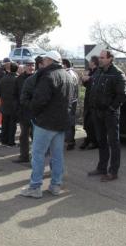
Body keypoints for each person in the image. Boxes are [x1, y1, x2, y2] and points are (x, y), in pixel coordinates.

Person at [20, 51, 72, 199]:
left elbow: (39, 101)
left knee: (38, 155)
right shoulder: (67, 75)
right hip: (60, 122)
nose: (42, 62)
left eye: (44, 60)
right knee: (57, 156)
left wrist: (32, 110)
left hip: (45, 122)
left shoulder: (48, 76)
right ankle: (56, 185)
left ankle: (35, 186)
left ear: (50, 60)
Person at [87, 50, 126, 182]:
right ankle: (102, 167)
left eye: (103, 57)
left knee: (113, 143)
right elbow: (94, 89)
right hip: (97, 112)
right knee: (101, 141)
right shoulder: (98, 71)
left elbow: (122, 96)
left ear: (110, 59)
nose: (100, 59)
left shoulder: (117, 74)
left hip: (110, 114)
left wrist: (111, 109)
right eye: (99, 57)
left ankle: (113, 171)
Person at [14, 58, 36, 163]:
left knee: (36, 136)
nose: (31, 67)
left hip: (36, 112)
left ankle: (36, 158)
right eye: (29, 65)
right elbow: (15, 95)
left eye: (33, 65)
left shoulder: (39, 78)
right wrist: (17, 109)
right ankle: (24, 156)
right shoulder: (19, 79)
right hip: (23, 112)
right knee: (24, 136)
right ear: (25, 67)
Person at [0, 62, 19, 147]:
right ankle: (11, 142)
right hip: (13, 105)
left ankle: (4, 141)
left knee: (5, 123)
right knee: (12, 125)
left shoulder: (3, 79)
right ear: (17, 69)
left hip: (4, 104)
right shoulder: (17, 79)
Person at [79, 56, 99, 150]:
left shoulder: (98, 71)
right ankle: (87, 139)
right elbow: (87, 85)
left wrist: (89, 78)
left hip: (94, 101)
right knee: (86, 122)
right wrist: (84, 80)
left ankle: (94, 141)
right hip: (88, 99)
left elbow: (97, 81)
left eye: (90, 61)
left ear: (93, 62)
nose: (89, 62)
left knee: (92, 122)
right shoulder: (91, 71)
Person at [62, 59, 80, 150]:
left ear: (64, 65)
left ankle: (70, 141)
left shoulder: (66, 74)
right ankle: (70, 140)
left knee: (68, 121)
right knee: (71, 120)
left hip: (68, 101)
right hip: (74, 100)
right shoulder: (74, 73)